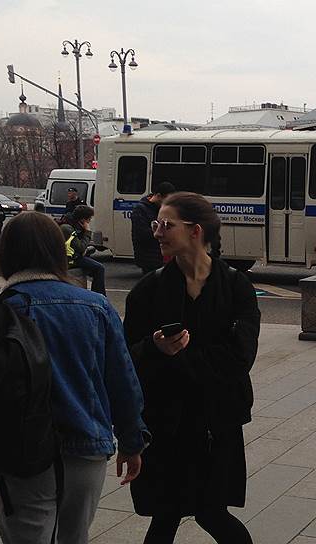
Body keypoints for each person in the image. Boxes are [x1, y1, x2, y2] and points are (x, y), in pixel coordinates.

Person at [0, 211, 148, 543]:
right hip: (86, 450)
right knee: (75, 536)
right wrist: (132, 442)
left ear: (5, 255)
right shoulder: (97, 308)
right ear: (57, 253)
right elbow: (123, 386)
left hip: (18, 453)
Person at [123, 192, 260, 544]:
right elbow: (126, 358)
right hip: (166, 424)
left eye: (166, 225)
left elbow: (239, 358)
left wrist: (178, 358)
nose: (157, 232)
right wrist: (153, 348)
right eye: (156, 224)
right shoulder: (148, 290)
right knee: (165, 513)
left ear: (195, 231)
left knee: (212, 512)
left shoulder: (236, 287)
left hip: (217, 423)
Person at [131, 182, 177, 274]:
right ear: (158, 196)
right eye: (166, 201)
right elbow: (141, 234)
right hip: (149, 256)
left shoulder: (160, 208)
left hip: (161, 255)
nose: (167, 205)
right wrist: (163, 230)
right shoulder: (140, 210)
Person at [62, 205, 106, 296]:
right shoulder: (68, 229)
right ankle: (98, 296)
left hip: (74, 256)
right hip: (69, 259)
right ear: (82, 220)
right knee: (99, 268)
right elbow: (80, 247)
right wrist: (87, 232)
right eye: (89, 219)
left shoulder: (75, 226)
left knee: (96, 265)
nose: (89, 222)